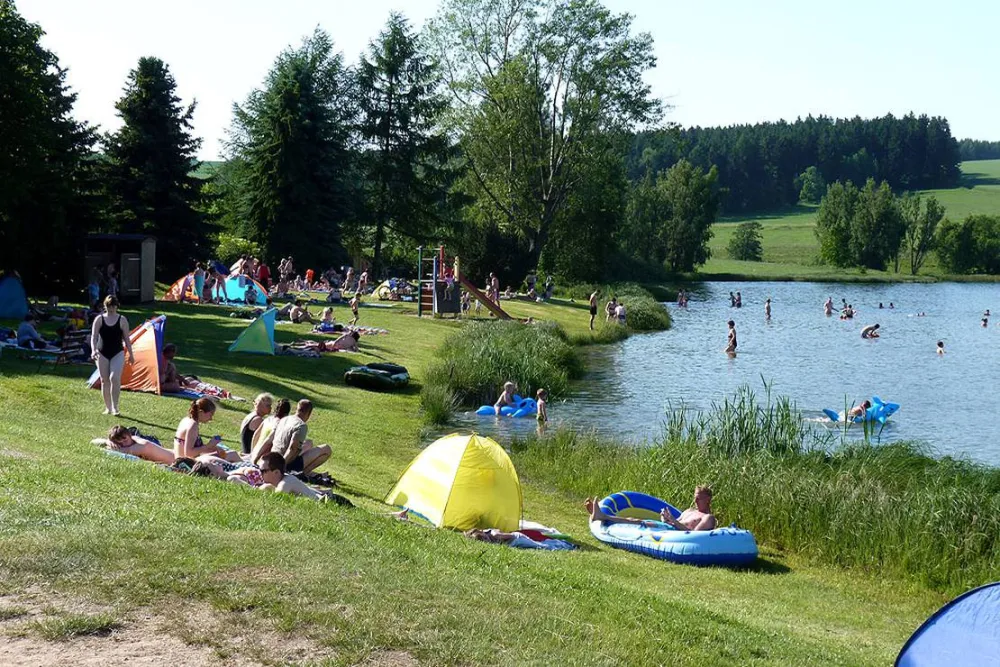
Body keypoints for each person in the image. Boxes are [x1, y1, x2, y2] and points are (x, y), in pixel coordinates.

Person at [584, 486, 717, 532]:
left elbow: (693, 534)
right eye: (695, 497)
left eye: (699, 498)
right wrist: (665, 518)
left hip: (674, 534)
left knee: (636, 521)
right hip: (668, 529)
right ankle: (600, 515)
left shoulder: (708, 518)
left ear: (708, 500)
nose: (695, 501)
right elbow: (675, 522)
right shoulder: (689, 511)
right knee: (636, 521)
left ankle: (601, 516)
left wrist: (673, 522)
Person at [90, 296, 134, 416]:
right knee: (104, 380)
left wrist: (131, 354)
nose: (112, 308)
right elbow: (93, 337)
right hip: (102, 352)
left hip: (117, 352)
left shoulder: (122, 319)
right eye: (109, 306)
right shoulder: (99, 319)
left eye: (114, 306)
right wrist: (93, 350)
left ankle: (115, 407)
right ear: (105, 306)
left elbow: (127, 338)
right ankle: (108, 408)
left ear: (117, 306)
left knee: (114, 378)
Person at [269, 399, 331, 475]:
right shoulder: (301, 425)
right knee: (326, 449)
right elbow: (292, 448)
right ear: (308, 414)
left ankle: (306, 473)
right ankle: (304, 473)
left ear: (297, 409)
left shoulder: (285, 419)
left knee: (309, 442)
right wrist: (281, 467)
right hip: (286, 463)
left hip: (273, 457)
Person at [98, 425, 175, 464]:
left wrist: (108, 443)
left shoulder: (141, 446)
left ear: (129, 435)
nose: (124, 444)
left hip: (177, 459)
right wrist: (108, 441)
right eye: (119, 443)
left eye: (125, 440)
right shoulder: (133, 439)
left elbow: (119, 451)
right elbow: (93, 441)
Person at [250, 398, 291, 463]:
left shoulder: (268, 419)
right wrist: (256, 458)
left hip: (254, 453)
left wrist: (252, 452)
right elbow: (268, 442)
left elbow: (255, 435)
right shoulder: (280, 425)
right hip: (263, 460)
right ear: (286, 414)